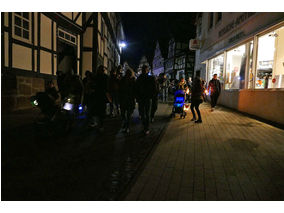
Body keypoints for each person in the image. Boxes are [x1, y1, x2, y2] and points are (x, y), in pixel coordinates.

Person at [135, 65, 157, 135]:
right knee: (144, 113)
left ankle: (146, 127)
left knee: (145, 113)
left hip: (146, 98)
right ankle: (145, 127)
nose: (144, 71)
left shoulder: (148, 78)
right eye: (143, 69)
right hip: (144, 98)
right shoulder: (141, 78)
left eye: (145, 69)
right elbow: (136, 89)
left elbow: (154, 89)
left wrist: (151, 96)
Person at [91, 65, 111, 131]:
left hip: (97, 95)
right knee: (101, 110)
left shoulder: (96, 77)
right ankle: (101, 124)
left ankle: (99, 123)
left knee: (98, 110)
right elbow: (107, 87)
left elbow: (93, 85)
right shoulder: (105, 77)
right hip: (102, 95)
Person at [118, 68, 136, 133]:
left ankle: (127, 126)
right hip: (125, 99)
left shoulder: (133, 81)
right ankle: (126, 125)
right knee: (124, 114)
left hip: (128, 100)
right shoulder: (122, 80)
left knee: (127, 115)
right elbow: (119, 90)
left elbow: (135, 91)